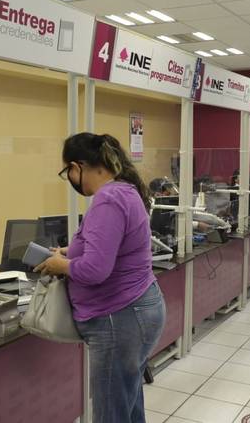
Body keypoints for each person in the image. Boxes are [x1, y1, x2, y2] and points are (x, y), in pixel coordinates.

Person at [35, 133, 166, 423]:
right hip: (134, 311)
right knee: (127, 404)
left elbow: (95, 270)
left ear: (77, 166)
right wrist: (70, 251)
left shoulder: (108, 199)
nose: (69, 179)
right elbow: (108, 245)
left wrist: (61, 266)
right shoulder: (124, 191)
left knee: (111, 413)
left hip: (119, 318)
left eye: (67, 172)